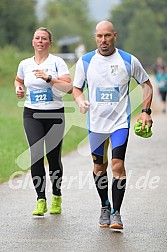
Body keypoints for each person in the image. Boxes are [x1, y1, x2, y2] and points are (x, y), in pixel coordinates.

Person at [72, 21, 153, 230]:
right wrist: (80, 101)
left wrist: (145, 112)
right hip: (96, 124)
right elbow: (76, 88)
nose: (103, 40)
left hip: (119, 124)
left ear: (114, 36)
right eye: (99, 36)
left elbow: (146, 84)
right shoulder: (86, 61)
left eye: (107, 36)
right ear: (95, 37)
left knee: (117, 166)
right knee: (99, 168)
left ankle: (117, 213)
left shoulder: (128, 60)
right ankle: (105, 206)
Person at [14, 27, 72, 216]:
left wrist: (49, 78)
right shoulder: (24, 64)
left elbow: (69, 88)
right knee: (36, 155)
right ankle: (41, 199)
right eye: (37, 38)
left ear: (49, 42)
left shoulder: (57, 62)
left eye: (44, 38)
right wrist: (19, 89)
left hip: (54, 115)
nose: (40, 41)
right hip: (32, 114)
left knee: (53, 158)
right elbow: (18, 80)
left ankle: (56, 195)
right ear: (33, 42)